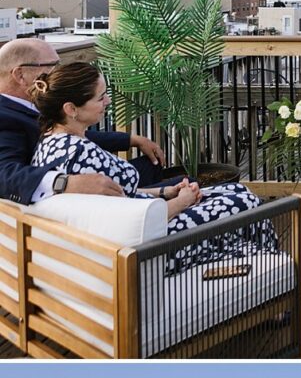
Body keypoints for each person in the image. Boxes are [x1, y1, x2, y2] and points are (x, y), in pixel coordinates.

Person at [30, 58, 265, 249]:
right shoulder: (80, 154)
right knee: (246, 201)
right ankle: (270, 279)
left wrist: (165, 191)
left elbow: (116, 196)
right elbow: (129, 222)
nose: (108, 101)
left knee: (236, 189)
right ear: (71, 109)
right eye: (100, 98)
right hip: (152, 239)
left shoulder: (54, 143)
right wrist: (181, 201)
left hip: (146, 218)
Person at [0, 33, 160, 207]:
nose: (60, 72)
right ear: (20, 75)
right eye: (54, 65)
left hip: (80, 191)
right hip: (64, 204)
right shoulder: (5, 118)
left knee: (154, 164)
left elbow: (68, 132)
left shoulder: (29, 103)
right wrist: (65, 183)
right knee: (186, 183)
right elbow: (4, 174)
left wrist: (130, 140)